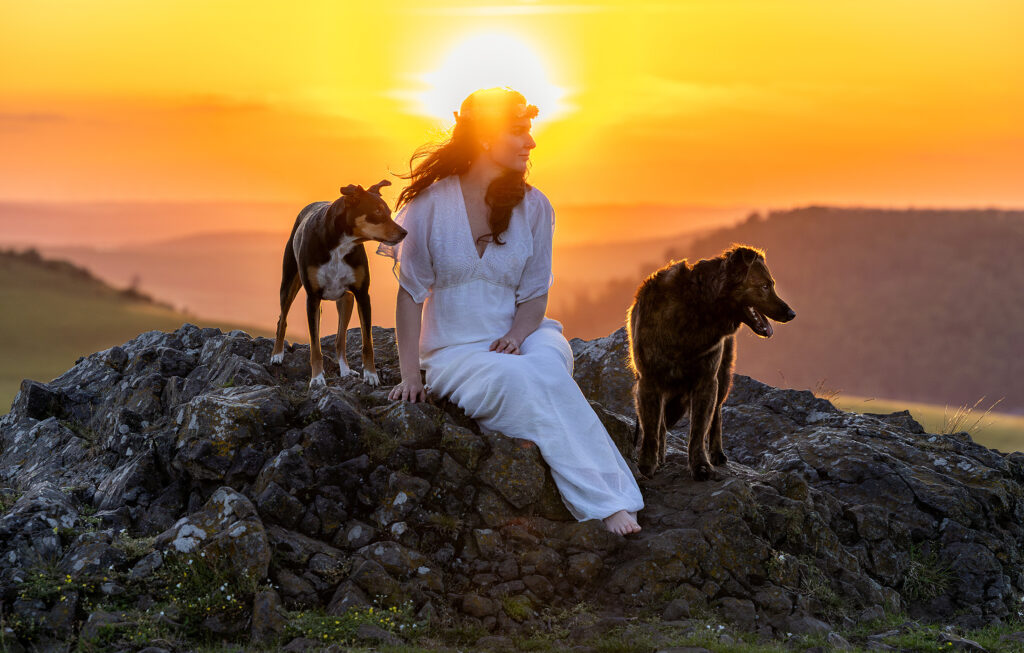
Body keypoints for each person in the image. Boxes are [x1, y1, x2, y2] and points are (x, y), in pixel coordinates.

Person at [377, 87, 643, 535]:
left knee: (545, 366)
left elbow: (535, 294)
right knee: (518, 379)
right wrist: (410, 377)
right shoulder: (428, 207)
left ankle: (614, 497)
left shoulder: (535, 207)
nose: (531, 143)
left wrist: (519, 336)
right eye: (519, 132)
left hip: (525, 333)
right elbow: (410, 296)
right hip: (454, 353)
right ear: (484, 139)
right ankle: (604, 502)